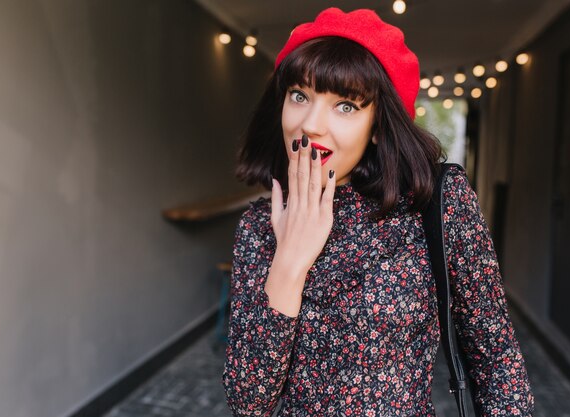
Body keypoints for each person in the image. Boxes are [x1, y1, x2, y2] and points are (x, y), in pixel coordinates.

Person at [222, 7, 534, 417]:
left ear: (378, 125)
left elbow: (498, 363)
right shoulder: (260, 225)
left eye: (346, 105)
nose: (311, 124)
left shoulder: (435, 206)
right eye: (299, 95)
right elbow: (248, 402)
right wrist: (290, 264)